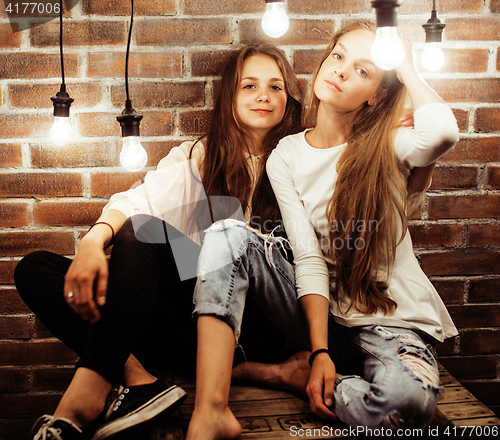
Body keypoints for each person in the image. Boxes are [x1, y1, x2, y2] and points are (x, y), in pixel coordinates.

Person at [14, 44, 303, 440]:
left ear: (290, 98)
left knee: (140, 231)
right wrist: (92, 243)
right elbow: (140, 201)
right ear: (229, 96)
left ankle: (85, 398)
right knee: (37, 269)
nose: (264, 96)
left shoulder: (302, 158)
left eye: (276, 87)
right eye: (249, 85)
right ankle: (138, 380)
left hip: (259, 326)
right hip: (192, 327)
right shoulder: (201, 156)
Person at [187, 20, 459, 439]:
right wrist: (320, 351)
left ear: (377, 95)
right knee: (227, 235)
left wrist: (403, 64)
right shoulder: (286, 155)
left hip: (392, 324)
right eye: (338, 56)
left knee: (406, 409)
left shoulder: (391, 144)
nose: (342, 71)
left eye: (364, 70)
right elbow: (309, 259)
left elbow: (442, 131)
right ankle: (210, 411)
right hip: (325, 319)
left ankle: (292, 377)